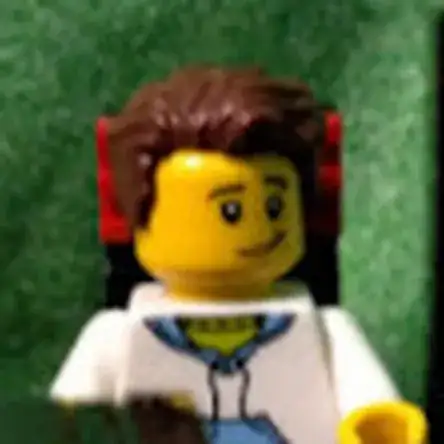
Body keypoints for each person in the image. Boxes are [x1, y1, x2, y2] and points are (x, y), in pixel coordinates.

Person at [51, 66, 426, 444]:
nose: (261, 227)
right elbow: (77, 404)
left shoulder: (327, 328)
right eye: (230, 211)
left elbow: (368, 397)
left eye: (275, 206)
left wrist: (377, 423)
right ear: (140, 215)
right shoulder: (115, 334)